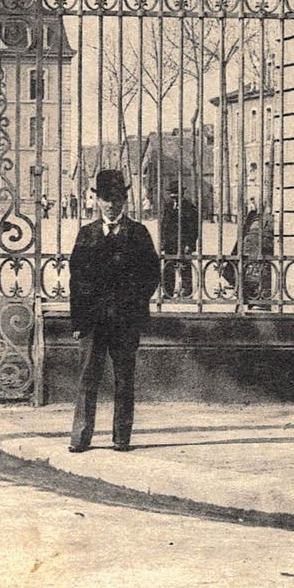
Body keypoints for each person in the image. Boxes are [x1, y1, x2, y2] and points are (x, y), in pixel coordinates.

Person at [67, 169, 161, 453]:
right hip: (93, 323)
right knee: (88, 379)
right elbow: (76, 278)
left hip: (125, 322)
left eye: (117, 198)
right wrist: (78, 321)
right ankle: (80, 438)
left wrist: (134, 305)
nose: (111, 205)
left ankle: (122, 437)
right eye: (106, 199)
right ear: (97, 200)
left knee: (124, 379)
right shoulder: (87, 234)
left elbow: (151, 275)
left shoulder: (139, 234)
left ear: (125, 200)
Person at [159, 182, 200, 299]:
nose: (173, 196)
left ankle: (187, 292)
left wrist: (190, 244)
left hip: (183, 243)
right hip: (170, 243)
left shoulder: (189, 207)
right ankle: (168, 292)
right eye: (172, 194)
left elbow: (194, 228)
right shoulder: (168, 206)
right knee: (168, 268)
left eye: (176, 194)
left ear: (181, 194)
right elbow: (164, 225)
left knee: (185, 267)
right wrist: (162, 242)